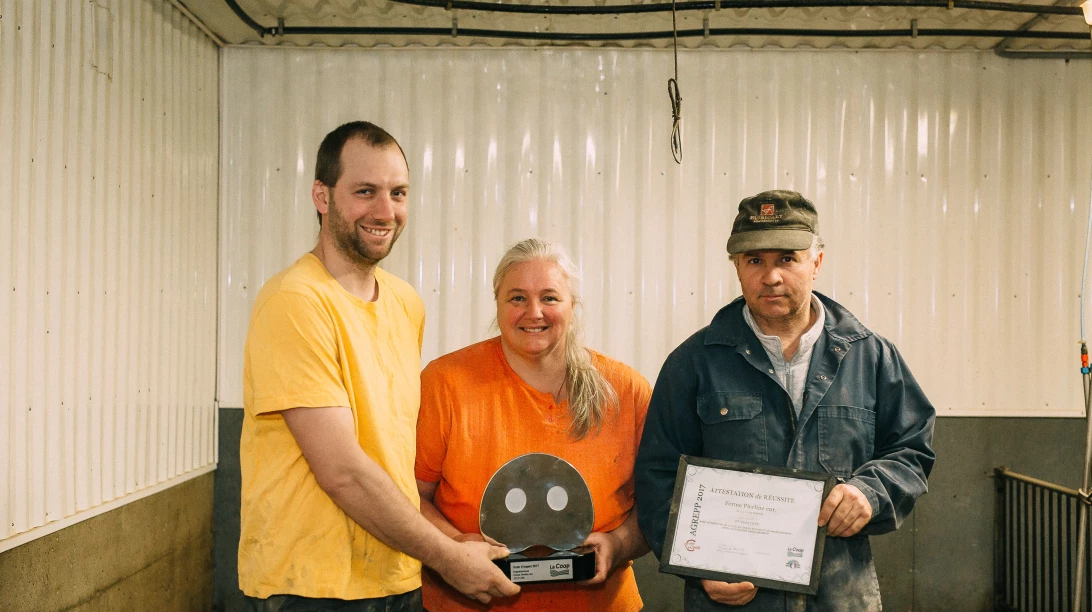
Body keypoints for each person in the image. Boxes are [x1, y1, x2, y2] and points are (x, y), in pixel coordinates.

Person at [238, 121, 519, 611]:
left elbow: (390, 453)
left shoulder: (405, 303)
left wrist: (446, 547)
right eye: (365, 192)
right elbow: (342, 470)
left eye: (398, 193)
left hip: (395, 576)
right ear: (321, 196)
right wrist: (449, 558)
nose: (385, 211)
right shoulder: (296, 301)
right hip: (311, 587)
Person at [634, 190, 936, 610]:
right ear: (737, 267)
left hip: (839, 597)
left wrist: (871, 491)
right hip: (733, 601)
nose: (770, 276)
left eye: (787, 259)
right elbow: (657, 476)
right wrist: (698, 565)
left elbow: (911, 449)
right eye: (754, 260)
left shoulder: (871, 357)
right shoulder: (693, 364)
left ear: (817, 262)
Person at [414, 238, 652, 612]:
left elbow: (657, 503)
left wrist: (619, 543)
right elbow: (411, 494)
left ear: (573, 305)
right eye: (517, 298)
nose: (534, 312)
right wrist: (453, 547)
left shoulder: (627, 390)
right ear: (497, 302)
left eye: (550, 297)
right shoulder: (446, 382)